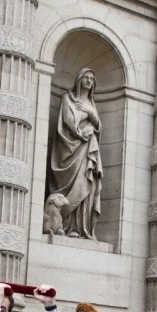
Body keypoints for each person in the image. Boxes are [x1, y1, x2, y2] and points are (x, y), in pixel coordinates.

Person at [47, 68, 103, 239]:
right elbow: (67, 121)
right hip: (70, 148)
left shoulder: (91, 104)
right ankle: (63, 224)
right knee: (71, 185)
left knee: (86, 184)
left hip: (87, 150)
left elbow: (99, 127)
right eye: (86, 77)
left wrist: (91, 113)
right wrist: (81, 131)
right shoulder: (68, 98)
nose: (88, 80)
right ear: (79, 79)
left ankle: (79, 228)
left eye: (91, 78)